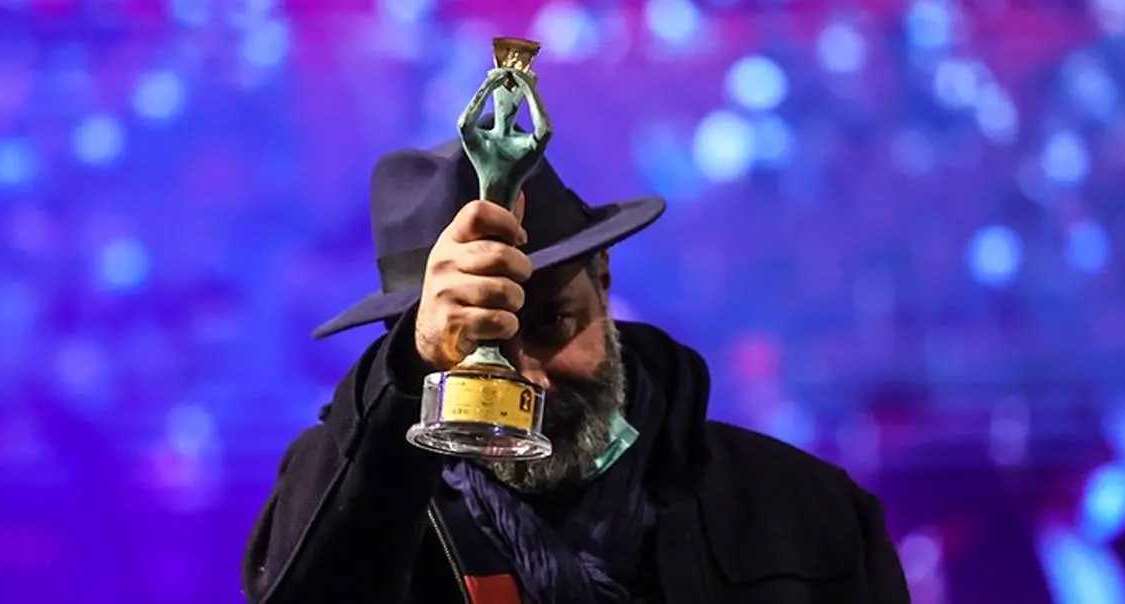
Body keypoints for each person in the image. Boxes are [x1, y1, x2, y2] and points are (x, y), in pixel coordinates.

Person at [241, 123, 911, 603]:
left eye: (551, 323)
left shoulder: (801, 508)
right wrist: (406, 384)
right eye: (475, 347)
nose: (527, 379)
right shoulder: (351, 520)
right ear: (415, 344)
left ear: (604, 277)